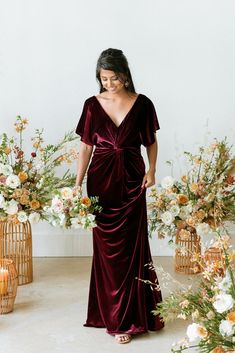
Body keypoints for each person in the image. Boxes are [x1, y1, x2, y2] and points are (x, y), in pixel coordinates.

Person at [75, 48, 164, 344]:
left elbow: (150, 142)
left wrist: (152, 171)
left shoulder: (143, 104)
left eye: (114, 78)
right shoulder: (91, 105)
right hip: (100, 184)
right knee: (106, 249)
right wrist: (78, 182)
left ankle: (129, 317)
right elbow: (86, 147)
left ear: (125, 75)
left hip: (131, 182)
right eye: (104, 78)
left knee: (132, 247)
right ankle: (109, 314)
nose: (109, 84)